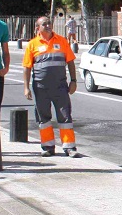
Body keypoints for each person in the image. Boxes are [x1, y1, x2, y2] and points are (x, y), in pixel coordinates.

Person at [22, 17, 81, 158]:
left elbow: (71, 62)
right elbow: (27, 67)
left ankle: (69, 147)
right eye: (44, 24)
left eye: (49, 23)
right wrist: (26, 87)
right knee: (43, 117)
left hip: (60, 86)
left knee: (65, 116)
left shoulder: (62, 41)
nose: (48, 25)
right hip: (40, 87)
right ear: (38, 28)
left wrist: (73, 81)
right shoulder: (32, 44)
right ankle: (48, 147)